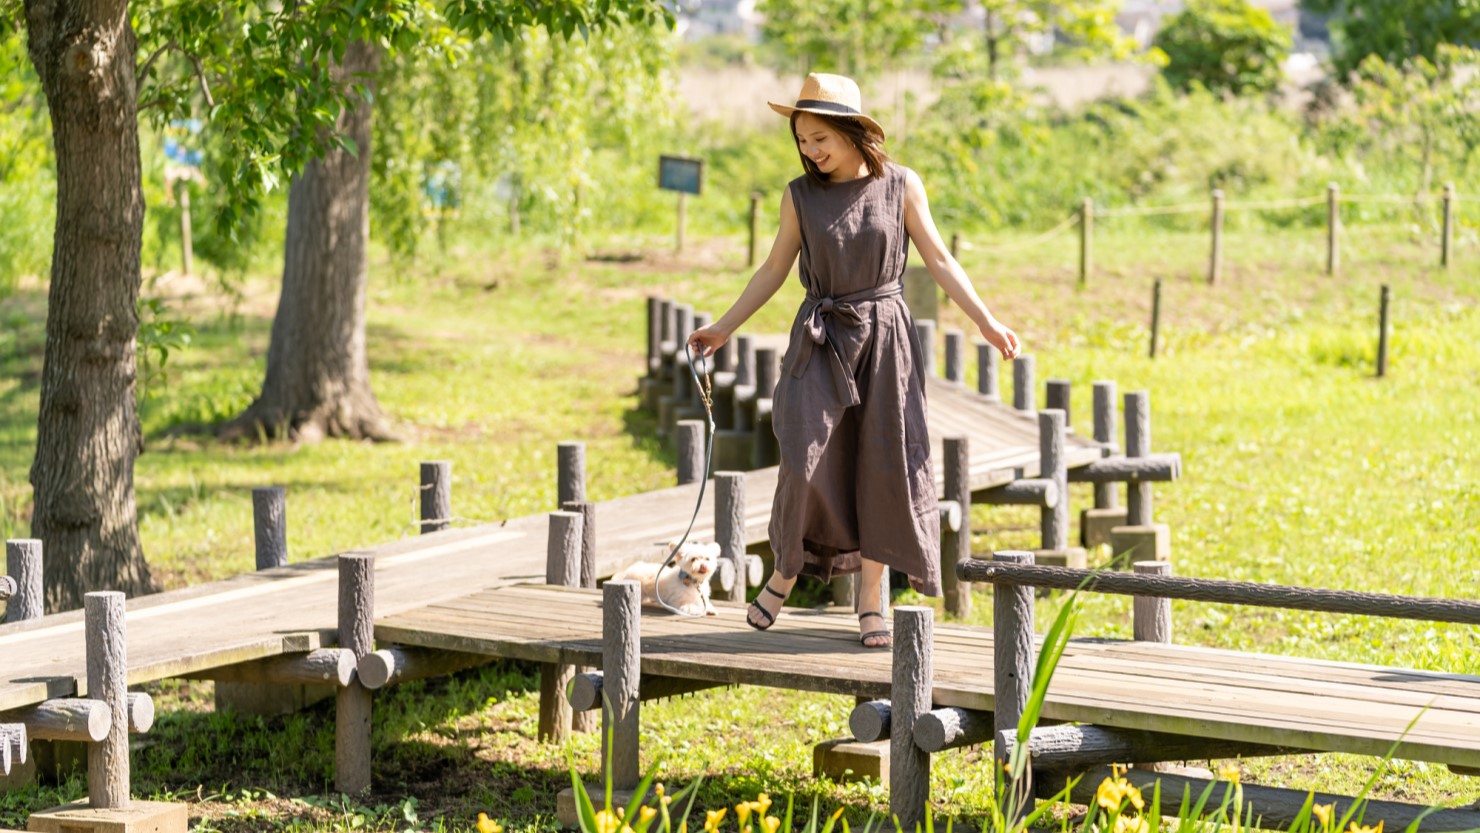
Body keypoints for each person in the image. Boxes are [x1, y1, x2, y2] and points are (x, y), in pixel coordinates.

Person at [687, 73, 1021, 648]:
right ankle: (787, 569)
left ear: (850, 132)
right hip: (821, 336)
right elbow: (773, 270)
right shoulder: (799, 195)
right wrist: (723, 327)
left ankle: (872, 597)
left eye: (819, 138)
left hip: (886, 338)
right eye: (802, 141)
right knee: (802, 454)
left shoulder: (901, 184)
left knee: (884, 461)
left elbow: (939, 260)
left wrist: (986, 321)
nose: (810, 151)